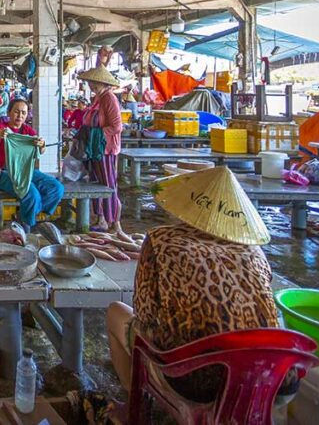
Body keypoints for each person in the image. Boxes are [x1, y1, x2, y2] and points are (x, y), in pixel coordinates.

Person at [106, 166, 288, 404]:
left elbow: (146, 314)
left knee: (115, 313)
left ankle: (135, 402)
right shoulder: (254, 250)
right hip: (271, 377)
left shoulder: (162, 241)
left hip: (196, 380)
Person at [0, 98, 65, 227]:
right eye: (16, 112)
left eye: (23, 113)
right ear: (9, 112)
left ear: (27, 115)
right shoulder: (1, 129)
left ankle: (24, 216)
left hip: (27, 171)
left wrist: (42, 145)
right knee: (32, 194)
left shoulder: (28, 131)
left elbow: (41, 151)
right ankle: (26, 226)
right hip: (3, 172)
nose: (20, 116)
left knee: (57, 188)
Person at [78, 66, 124, 233]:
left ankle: (114, 222)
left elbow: (117, 126)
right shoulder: (97, 98)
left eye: (94, 82)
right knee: (96, 183)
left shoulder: (109, 98)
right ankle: (101, 219)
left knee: (108, 185)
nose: (91, 85)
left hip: (105, 149)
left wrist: (95, 135)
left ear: (103, 82)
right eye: (90, 82)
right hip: (95, 150)